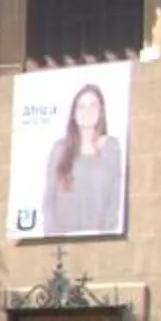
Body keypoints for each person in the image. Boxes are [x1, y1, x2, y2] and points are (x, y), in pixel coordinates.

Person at [46, 82, 126, 239]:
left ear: (101, 111)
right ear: (73, 113)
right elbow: (49, 201)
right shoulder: (60, 149)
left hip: (99, 237)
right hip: (63, 238)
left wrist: (106, 236)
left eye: (93, 106)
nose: (87, 112)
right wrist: (52, 236)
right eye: (81, 106)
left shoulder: (111, 147)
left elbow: (114, 199)